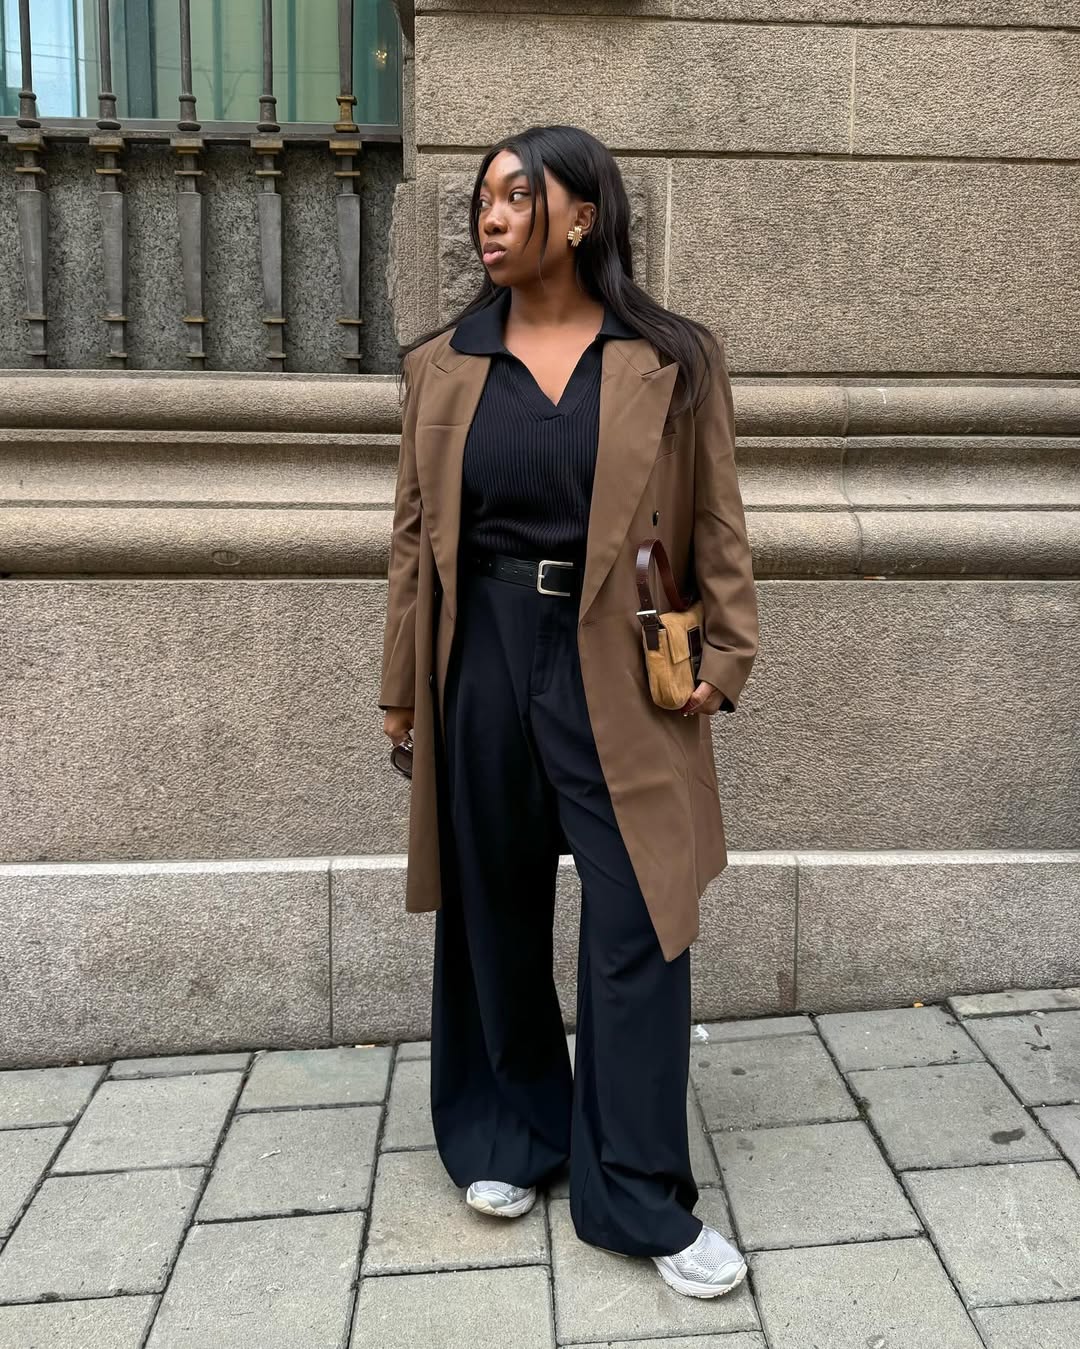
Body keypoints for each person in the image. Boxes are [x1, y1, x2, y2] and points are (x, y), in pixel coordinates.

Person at [378, 124, 758, 1299]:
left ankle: (636, 1187)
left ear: (582, 215)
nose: (489, 218)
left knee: (642, 909)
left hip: (620, 656)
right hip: (481, 651)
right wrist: (400, 691)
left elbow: (717, 523)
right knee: (491, 898)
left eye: (514, 197)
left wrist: (730, 654)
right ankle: (511, 1133)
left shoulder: (673, 358)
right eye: (482, 201)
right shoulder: (441, 363)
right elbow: (410, 542)